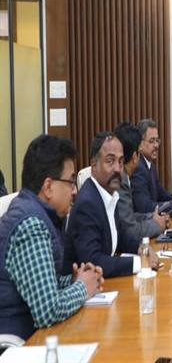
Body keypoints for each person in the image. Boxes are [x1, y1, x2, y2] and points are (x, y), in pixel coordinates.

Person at [0, 135, 103, 340]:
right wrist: (83, 287)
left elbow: (41, 284)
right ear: (48, 187)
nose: (75, 190)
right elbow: (48, 311)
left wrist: (73, 280)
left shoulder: (37, 212)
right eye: (70, 182)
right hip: (20, 343)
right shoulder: (31, 225)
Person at [63, 132, 159, 278]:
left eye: (120, 162)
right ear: (94, 165)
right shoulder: (87, 203)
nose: (117, 169)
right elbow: (92, 261)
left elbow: (120, 236)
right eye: (110, 161)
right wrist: (139, 263)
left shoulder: (109, 194)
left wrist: (142, 248)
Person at [114, 122, 168, 240]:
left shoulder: (124, 177)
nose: (156, 145)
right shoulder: (120, 181)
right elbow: (130, 231)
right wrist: (157, 224)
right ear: (135, 157)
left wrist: (152, 217)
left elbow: (128, 217)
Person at [131, 119, 172, 215]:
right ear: (140, 144)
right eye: (151, 141)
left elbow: (159, 192)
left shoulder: (150, 165)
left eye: (157, 141)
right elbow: (145, 207)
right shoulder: (138, 168)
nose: (156, 145)